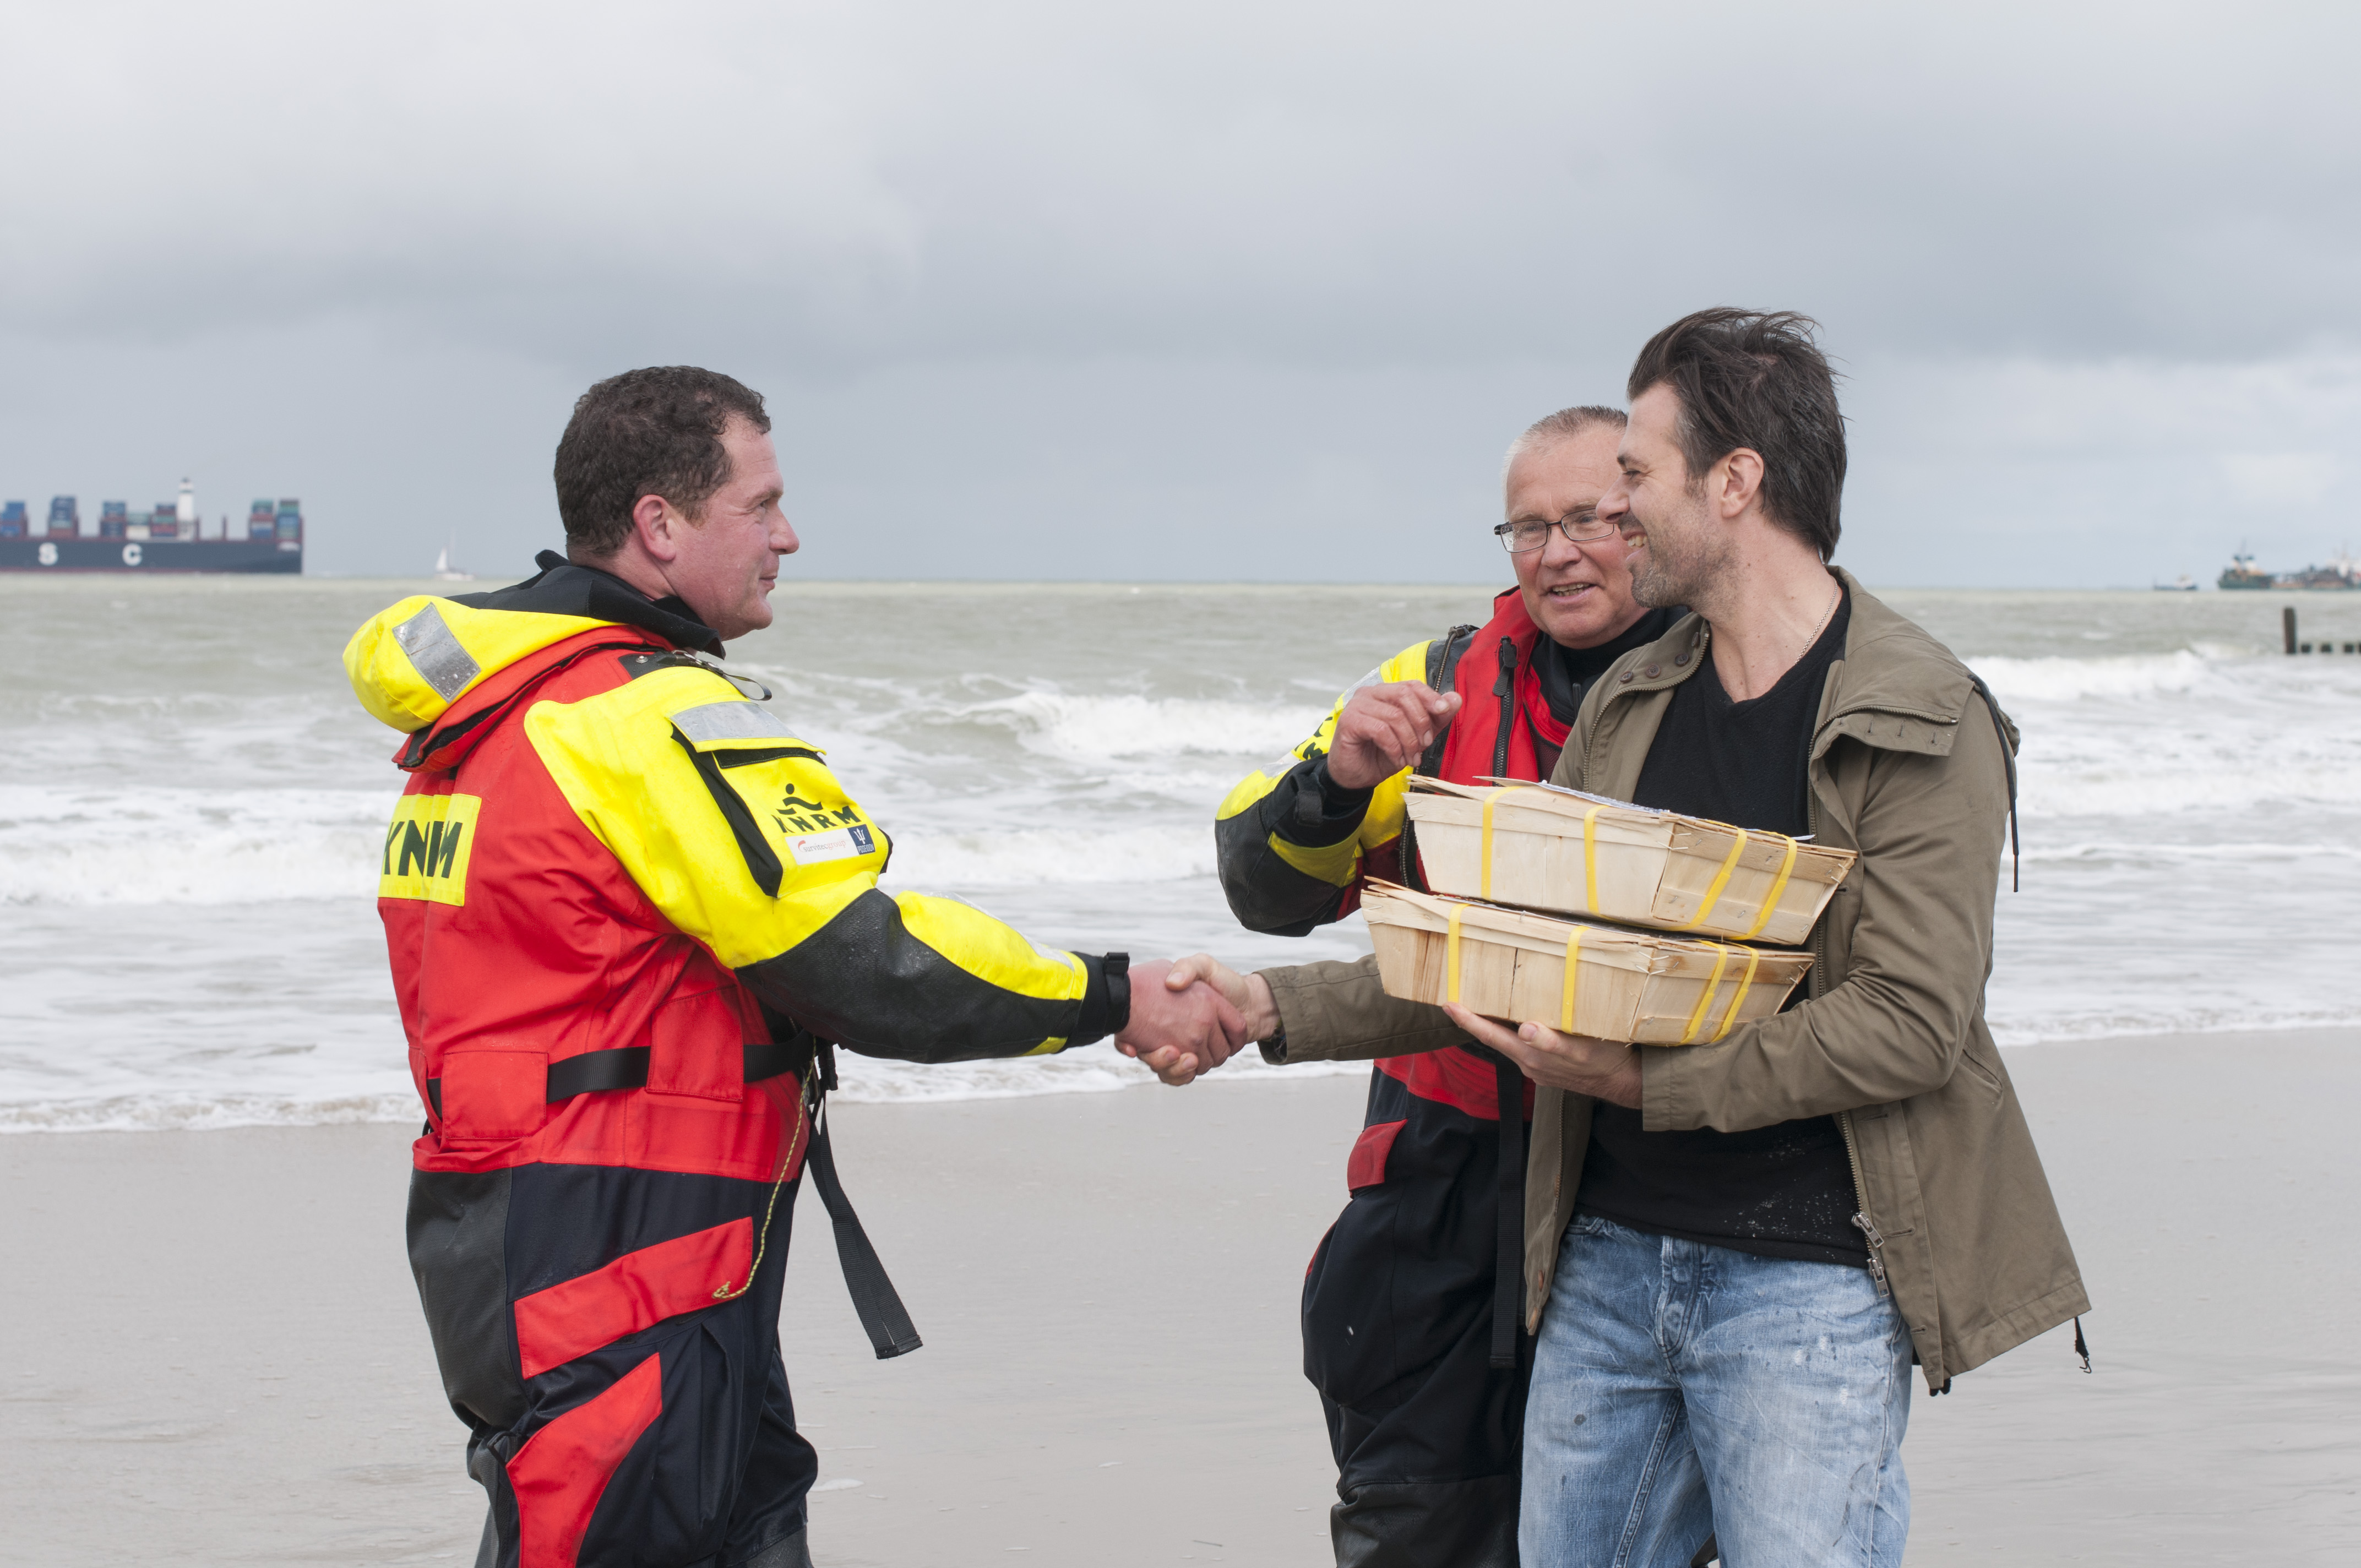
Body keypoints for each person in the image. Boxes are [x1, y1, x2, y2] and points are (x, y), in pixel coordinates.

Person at [1182, 311, 2088, 1567]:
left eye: (1634, 477)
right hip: (1603, 1263)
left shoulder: (1920, 711)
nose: (1607, 515)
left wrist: (1640, 1079)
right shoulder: (1628, 698)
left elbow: (1907, 1020)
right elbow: (1511, 954)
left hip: (1805, 1282)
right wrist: (1265, 1006)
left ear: (1732, 482)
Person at [344, 366, 1243, 1568]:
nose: (788, 534)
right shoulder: (636, 715)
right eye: (759, 504)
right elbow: (861, 961)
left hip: (519, 1231)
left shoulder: (484, 725)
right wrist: (1109, 991)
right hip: (634, 1252)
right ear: (659, 525)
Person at [1205, 405, 1680, 1567]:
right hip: (1440, 1170)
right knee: (1412, 1519)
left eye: (1589, 519)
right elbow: (1261, 888)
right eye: (1526, 526)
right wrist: (1335, 777)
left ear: (1650, 515)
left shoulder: (1724, 681)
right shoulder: (1431, 682)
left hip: (1641, 1172)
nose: (1555, 551)